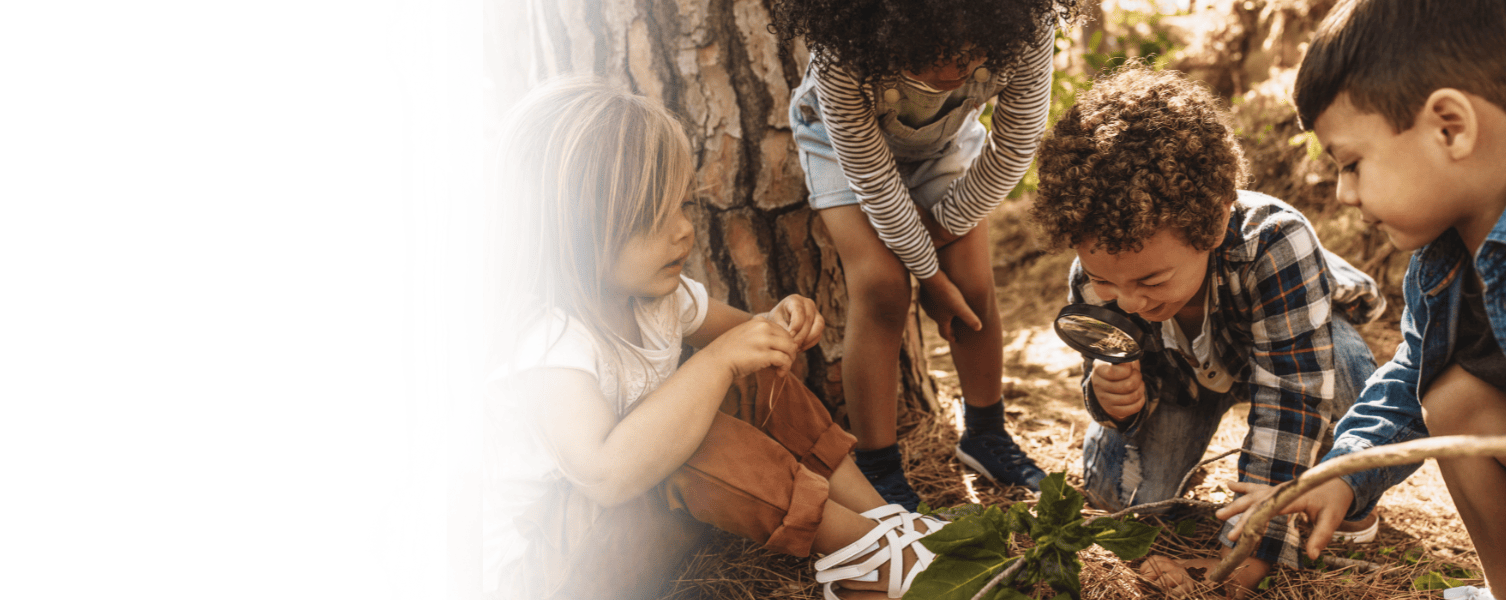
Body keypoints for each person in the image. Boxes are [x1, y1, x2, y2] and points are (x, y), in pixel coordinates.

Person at [482, 78, 949, 600]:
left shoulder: (660, 298)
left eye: (682, 206)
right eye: (650, 220)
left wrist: (780, 322)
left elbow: (753, 339)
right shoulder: (550, 344)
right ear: (570, 232)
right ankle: (870, 560)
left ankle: (885, 524)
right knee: (691, 432)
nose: (683, 231)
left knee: (750, 382)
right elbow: (603, 475)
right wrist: (713, 365)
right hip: (559, 569)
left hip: (644, 528)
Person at [1215, 1, 1506, 599]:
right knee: (1451, 400)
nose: (1344, 194)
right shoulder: (1440, 269)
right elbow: (1405, 383)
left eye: (1352, 164)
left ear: (1451, 126)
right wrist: (1341, 476)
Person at [1026, 67, 1389, 596]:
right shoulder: (1096, 275)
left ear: (1215, 223)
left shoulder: (1275, 241)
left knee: (1348, 371)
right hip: (1182, 380)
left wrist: (1252, 546)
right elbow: (1102, 372)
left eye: (1151, 279)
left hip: (1287, 345)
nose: (1129, 301)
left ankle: (1349, 496)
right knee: (1116, 494)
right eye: (1107, 281)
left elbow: (1292, 393)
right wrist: (1114, 401)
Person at [763, 0, 1073, 508]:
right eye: (926, 59)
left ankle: (986, 436)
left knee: (973, 288)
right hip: (841, 147)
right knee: (882, 287)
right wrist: (929, 277)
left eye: (966, 59)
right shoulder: (842, 51)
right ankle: (879, 468)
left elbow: (1016, 145)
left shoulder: (1026, 22)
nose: (950, 76)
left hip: (944, 144)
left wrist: (942, 235)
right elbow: (875, 181)